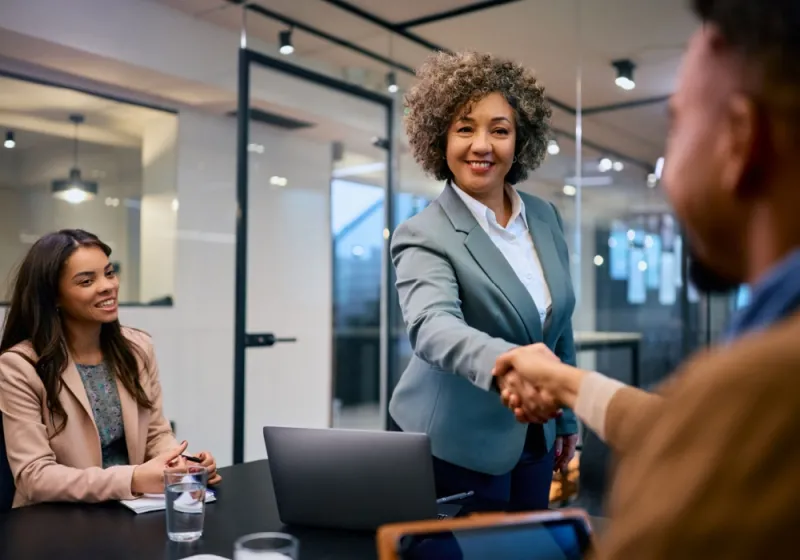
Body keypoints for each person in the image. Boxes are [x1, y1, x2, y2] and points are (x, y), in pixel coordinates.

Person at [494, 0, 800, 556]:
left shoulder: (764, 387)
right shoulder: (751, 405)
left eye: (677, 124)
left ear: (740, 139)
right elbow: (699, 433)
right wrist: (564, 382)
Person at [389, 50, 579, 513]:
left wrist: (567, 415)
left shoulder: (545, 216)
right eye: (464, 127)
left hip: (535, 436)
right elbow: (432, 327)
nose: (482, 145)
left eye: (499, 129)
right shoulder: (422, 233)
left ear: (519, 141)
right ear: (440, 139)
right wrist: (510, 363)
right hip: (454, 443)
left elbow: (557, 323)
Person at [0, 229, 221, 508]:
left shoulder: (137, 348)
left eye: (109, 273)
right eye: (86, 281)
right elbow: (34, 476)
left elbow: (155, 433)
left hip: (132, 509)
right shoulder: (20, 366)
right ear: (54, 297)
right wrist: (133, 478)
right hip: (56, 519)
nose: (107, 286)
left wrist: (180, 463)